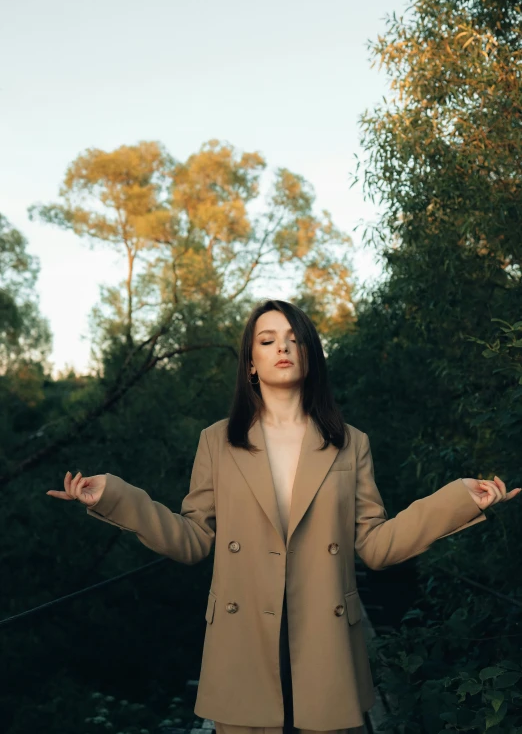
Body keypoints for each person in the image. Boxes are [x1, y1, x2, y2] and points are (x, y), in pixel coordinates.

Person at [46, 298, 520, 734]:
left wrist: (459, 499)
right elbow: (192, 539)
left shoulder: (350, 442)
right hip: (244, 641)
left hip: (327, 642)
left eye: (294, 339)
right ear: (250, 363)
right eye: (268, 340)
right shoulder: (217, 441)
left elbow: (375, 546)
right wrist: (114, 496)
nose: (283, 348)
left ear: (310, 355)